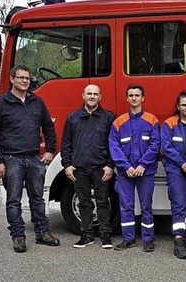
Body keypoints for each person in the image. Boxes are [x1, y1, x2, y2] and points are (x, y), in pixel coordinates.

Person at [0, 64, 60, 252]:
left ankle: (42, 233)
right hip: (11, 159)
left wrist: (50, 151)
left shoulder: (37, 101)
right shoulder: (0, 104)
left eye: (27, 78)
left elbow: (49, 128)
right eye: (21, 77)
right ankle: (18, 236)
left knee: (38, 199)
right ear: (12, 79)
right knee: (14, 200)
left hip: (34, 158)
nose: (25, 81)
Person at [61, 84, 116, 249]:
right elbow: (66, 143)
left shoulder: (108, 118)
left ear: (100, 97)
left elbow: (114, 144)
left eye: (95, 94)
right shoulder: (73, 118)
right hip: (80, 169)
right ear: (83, 95)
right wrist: (67, 165)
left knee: (103, 202)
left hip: (101, 168)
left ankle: (106, 235)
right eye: (89, 94)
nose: (92, 96)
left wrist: (110, 166)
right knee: (84, 202)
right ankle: (86, 235)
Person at [109, 83, 160, 252]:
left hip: (146, 171)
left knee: (146, 206)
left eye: (137, 95)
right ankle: (128, 238)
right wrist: (126, 167)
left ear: (143, 98)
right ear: (127, 98)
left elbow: (155, 144)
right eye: (131, 95)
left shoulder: (152, 120)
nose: (134, 98)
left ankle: (148, 239)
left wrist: (143, 164)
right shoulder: (119, 122)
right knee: (126, 206)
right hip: (126, 173)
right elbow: (114, 146)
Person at [161, 90, 186, 259]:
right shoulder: (169, 124)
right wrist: (183, 164)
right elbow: (165, 147)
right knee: (179, 203)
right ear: (178, 106)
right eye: (184, 105)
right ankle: (178, 241)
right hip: (175, 169)